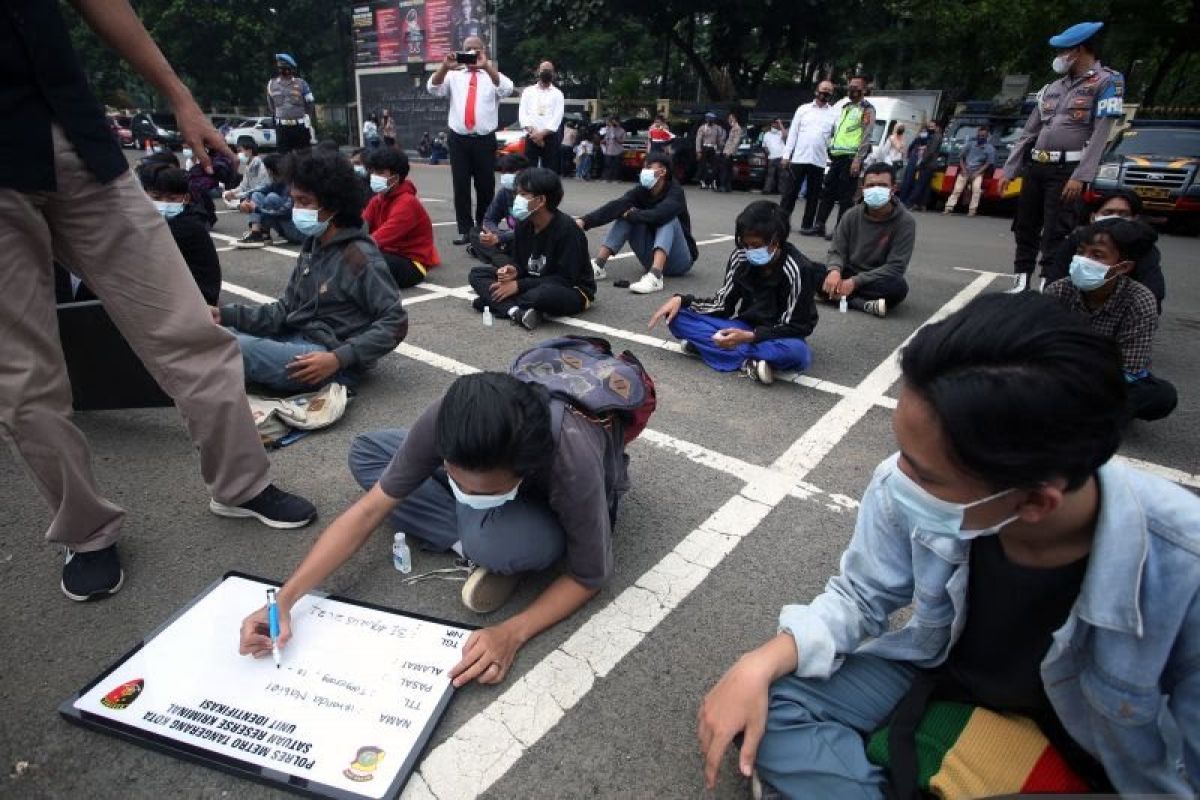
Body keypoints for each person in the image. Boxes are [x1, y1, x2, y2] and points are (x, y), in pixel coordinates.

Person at [698, 290, 1200, 798]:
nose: (896, 477)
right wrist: (760, 660)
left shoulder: (1184, 568)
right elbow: (863, 596)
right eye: (901, 452)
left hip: (1095, 745)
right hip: (941, 669)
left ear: (1035, 502)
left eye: (926, 474)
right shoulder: (910, 481)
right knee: (768, 706)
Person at [1, 0, 316, 600]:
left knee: (189, 326)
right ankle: (86, 531)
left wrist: (180, 96)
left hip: (78, 138)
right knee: (24, 376)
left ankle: (240, 484)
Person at [238, 366, 637, 687]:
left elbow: (589, 576)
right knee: (367, 452)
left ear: (524, 471)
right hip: (497, 472)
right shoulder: (449, 415)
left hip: (549, 500)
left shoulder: (573, 462)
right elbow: (369, 510)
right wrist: (285, 600)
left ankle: (493, 544)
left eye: (482, 489)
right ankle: (482, 540)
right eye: (453, 476)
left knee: (497, 541)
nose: (460, 490)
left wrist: (512, 633)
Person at [217, 150, 408, 393]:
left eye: (305, 202)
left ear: (334, 204)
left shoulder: (359, 257)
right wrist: (225, 316)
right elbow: (286, 310)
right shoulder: (314, 243)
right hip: (296, 338)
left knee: (232, 348)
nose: (296, 209)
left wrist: (339, 358)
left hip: (326, 358)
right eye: (294, 200)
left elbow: (395, 322)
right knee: (215, 334)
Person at [998, 21, 1125, 294]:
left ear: (1077, 50)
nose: (1057, 58)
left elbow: (1101, 134)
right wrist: (1009, 170)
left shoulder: (1106, 82)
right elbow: (1028, 133)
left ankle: (1049, 284)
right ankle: (1021, 280)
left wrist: (1080, 176)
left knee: (1057, 229)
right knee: (1025, 225)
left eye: (1061, 52)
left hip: (1067, 168)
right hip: (1037, 165)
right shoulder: (1052, 88)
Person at [649, 201, 819, 385]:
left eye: (755, 246)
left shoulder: (799, 269)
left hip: (778, 335)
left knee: (799, 354)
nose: (749, 251)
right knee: (676, 317)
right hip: (743, 325)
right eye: (745, 244)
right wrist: (682, 300)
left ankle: (711, 348)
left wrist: (750, 337)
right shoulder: (741, 257)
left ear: (775, 241)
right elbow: (723, 304)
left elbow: (796, 326)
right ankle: (747, 360)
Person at [1044, 219, 1176, 421]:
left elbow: (1129, 368)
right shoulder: (1060, 289)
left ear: (1123, 267)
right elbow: (1039, 344)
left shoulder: (1140, 301)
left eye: (1097, 255)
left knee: (1161, 396)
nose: (1083, 260)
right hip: (1060, 370)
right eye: (1081, 252)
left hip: (1106, 379)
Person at [467, 167, 594, 331]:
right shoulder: (524, 224)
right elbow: (520, 263)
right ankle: (515, 312)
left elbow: (565, 279)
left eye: (523, 194)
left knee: (540, 296)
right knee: (477, 274)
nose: (516, 199)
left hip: (571, 289)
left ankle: (496, 303)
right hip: (532, 280)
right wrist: (512, 270)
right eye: (516, 194)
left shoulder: (569, 231)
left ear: (541, 200)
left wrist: (518, 286)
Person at [428, 35, 513, 245]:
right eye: (468, 49)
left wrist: (487, 67)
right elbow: (433, 87)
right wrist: (445, 67)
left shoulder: (492, 77)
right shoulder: (454, 76)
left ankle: (484, 226)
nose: (472, 53)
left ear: (484, 51)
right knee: (461, 186)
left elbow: (507, 89)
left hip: (484, 139)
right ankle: (466, 230)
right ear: (461, 51)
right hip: (459, 139)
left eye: (476, 49)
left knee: (485, 186)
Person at [579, 152, 699, 294]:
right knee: (624, 212)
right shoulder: (642, 190)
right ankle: (598, 266)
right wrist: (584, 221)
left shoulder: (675, 192)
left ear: (662, 171)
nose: (644, 172)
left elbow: (659, 215)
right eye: (644, 168)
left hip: (679, 261)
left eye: (649, 167)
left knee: (667, 217)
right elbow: (617, 205)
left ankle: (655, 276)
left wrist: (633, 215)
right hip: (649, 258)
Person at [1044, 189, 1165, 312]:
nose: (1115, 218)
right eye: (1108, 212)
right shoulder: (1060, 287)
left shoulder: (1140, 300)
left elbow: (1154, 291)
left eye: (1123, 214)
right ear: (1093, 217)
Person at [821, 163, 915, 318]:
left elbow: (896, 266)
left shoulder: (905, 222)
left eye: (882, 185)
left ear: (893, 189)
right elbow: (837, 251)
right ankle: (862, 304)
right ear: (863, 189)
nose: (876, 189)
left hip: (877, 278)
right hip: (848, 271)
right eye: (871, 185)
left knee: (898, 288)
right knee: (810, 271)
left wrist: (855, 282)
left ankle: (834, 295)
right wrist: (835, 271)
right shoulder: (851, 215)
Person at [135, 161, 222, 304]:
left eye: (172, 199)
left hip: (193, 302)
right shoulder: (172, 221)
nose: (164, 203)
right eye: (156, 198)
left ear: (186, 198)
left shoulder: (186, 227)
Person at [363, 148, 440, 289]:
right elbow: (361, 226)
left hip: (412, 264)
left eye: (380, 173)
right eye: (373, 171)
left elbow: (379, 238)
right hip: (388, 253)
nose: (373, 176)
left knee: (365, 260)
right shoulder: (378, 199)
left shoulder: (407, 203)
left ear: (396, 177)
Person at [812, 76, 876, 239]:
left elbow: (866, 135)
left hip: (851, 158)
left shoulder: (867, 109)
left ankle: (841, 231)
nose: (852, 90)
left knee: (845, 197)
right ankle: (819, 225)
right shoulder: (845, 107)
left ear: (863, 90)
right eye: (850, 87)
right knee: (827, 192)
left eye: (855, 87)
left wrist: (858, 159)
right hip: (837, 157)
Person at [781, 80, 838, 234]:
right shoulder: (803, 109)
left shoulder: (834, 113)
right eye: (823, 89)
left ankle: (807, 225)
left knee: (813, 196)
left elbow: (835, 137)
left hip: (819, 161)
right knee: (790, 193)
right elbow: (792, 134)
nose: (825, 93)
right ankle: (781, 222)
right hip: (799, 158)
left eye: (829, 91)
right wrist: (786, 155)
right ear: (816, 91)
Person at [469, 152, 529, 268]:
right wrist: (495, 234)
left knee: (521, 241)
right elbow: (489, 219)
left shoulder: (532, 193)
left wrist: (500, 238)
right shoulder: (505, 193)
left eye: (510, 172)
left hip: (525, 238)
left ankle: (494, 255)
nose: (505, 176)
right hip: (506, 237)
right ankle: (501, 257)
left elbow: (530, 230)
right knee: (476, 232)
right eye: (503, 172)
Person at [235, 154, 304, 247]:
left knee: (272, 198)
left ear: (270, 170)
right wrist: (243, 198)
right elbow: (260, 189)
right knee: (257, 195)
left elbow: (285, 211)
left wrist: (256, 209)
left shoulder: (292, 185)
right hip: (286, 229)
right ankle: (259, 233)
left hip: (298, 233)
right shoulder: (277, 182)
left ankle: (261, 233)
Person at [519, 61, 564, 172]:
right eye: (544, 70)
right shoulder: (528, 91)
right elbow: (522, 114)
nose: (546, 73)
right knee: (529, 171)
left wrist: (542, 134)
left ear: (553, 73)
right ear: (538, 72)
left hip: (550, 138)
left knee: (550, 171)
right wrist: (533, 133)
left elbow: (557, 117)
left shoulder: (558, 94)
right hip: (531, 136)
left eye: (549, 71)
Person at [943, 124, 996, 216]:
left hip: (978, 172)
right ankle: (948, 208)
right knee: (957, 189)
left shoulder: (990, 149)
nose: (981, 137)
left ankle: (972, 210)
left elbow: (988, 163)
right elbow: (961, 158)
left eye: (983, 136)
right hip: (966, 170)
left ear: (987, 136)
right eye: (979, 135)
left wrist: (977, 173)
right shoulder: (970, 144)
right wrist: (963, 169)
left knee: (976, 190)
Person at [267, 53, 315, 153]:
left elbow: (310, 103)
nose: (283, 71)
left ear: (291, 69)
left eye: (286, 68)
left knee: (303, 157)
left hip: (299, 127)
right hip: (282, 128)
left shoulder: (301, 83)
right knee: (283, 158)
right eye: (281, 68)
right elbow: (271, 105)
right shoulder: (272, 84)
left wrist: (307, 117)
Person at [897, 121, 942, 211]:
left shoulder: (936, 137)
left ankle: (909, 203)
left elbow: (931, 151)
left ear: (937, 127)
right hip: (930, 164)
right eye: (929, 126)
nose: (930, 128)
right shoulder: (933, 136)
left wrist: (922, 162)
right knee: (926, 186)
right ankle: (922, 204)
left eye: (932, 126)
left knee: (920, 184)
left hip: (927, 164)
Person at [222, 141, 270, 205]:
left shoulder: (261, 166)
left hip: (260, 194)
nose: (238, 154)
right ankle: (241, 203)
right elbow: (243, 186)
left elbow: (260, 188)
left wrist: (237, 196)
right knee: (225, 193)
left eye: (240, 151)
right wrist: (232, 192)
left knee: (254, 196)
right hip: (249, 194)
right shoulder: (248, 167)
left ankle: (242, 204)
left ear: (249, 151)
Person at [695, 112, 726, 189]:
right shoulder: (702, 128)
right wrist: (698, 151)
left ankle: (713, 181)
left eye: (712, 119)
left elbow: (719, 139)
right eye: (709, 119)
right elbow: (698, 139)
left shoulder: (717, 128)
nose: (710, 121)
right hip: (705, 147)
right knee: (703, 165)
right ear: (706, 119)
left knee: (714, 166)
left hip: (713, 148)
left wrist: (720, 148)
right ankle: (702, 181)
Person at [717, 111, 743, 193]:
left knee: (725, 169)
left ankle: (723, 186)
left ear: (735, 119)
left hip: (729, 152)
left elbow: (736, 141)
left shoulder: (737, 128)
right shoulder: (732, 128)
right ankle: (727, 186)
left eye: (731, 118)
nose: (729, 119)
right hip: (727, 150)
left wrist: (729, 152)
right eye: (729, 118)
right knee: (728, 169)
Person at [761, 119, 787, 195]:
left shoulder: (780, 133)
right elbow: (764, 145)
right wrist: (767, 151)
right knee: (770, 175)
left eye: (776, 124)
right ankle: (767, 190)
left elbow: (785, 135)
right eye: (773, 124)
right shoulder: (766, 134)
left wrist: (780, 123)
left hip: (781, 156)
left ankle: (782, 191)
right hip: (771, 157)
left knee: (782, 175)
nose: (774, 126)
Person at [600, 116, 626, 181]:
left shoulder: (622, 130)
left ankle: (616, 179)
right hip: (608, 150)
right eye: (612, 122)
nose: (613, 124)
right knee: (608, 165)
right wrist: (602, 141)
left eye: (615, 122)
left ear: (618, 122)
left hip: (617, 151)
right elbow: (605, 139)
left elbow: (622, 141)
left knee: (616, 166)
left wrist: (616, 138)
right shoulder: (608, 129)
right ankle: (607, 178)